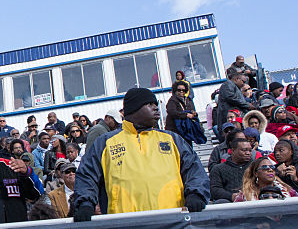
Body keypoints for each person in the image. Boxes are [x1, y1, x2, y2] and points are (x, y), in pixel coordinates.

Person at [74, 88, 210, 219]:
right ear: (134, 109)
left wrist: (195, 194)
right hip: (123, 227)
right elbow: (87, 174)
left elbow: (193, 169)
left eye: (156, 104)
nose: (156, 108)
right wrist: (86, 203)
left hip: (173, 223)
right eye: (150, 104)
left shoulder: (172, 139)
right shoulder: (105, 143)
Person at [209, 137, 254, 202]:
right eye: (244, 150)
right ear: (233, 151)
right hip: (230, 203)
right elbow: (215, 190)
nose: (248, 153)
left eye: (250, 150)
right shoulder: (218, 169)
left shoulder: (255, 166)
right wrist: (231, 196)